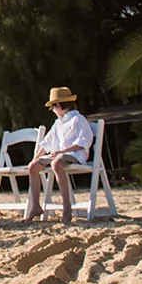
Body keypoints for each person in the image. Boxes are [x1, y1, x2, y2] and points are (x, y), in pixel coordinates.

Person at [25, 86, 94, 225]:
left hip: (75, 154)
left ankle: (66, 207)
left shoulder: (78, 119)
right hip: (59, 154)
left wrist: (62, 151)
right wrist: (36, 158)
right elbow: (47, 143)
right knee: (33, 167)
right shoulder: (58, 122)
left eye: (54, 108)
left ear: (58, 105)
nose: (54, 111)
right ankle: (35, 205)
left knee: (57, 163)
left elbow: (83, 141)